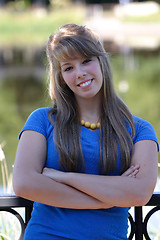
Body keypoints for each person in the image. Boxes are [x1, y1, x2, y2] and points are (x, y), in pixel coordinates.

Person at [13, 24, 159, 240]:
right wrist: (108, 199)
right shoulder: (42, 120)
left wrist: (63, 177)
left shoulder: (140, 130)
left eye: (86, 61)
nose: (79, 73)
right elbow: (24, 183)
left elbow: (139, 193)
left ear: (101, 61)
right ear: (61, 76)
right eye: (68, 68)